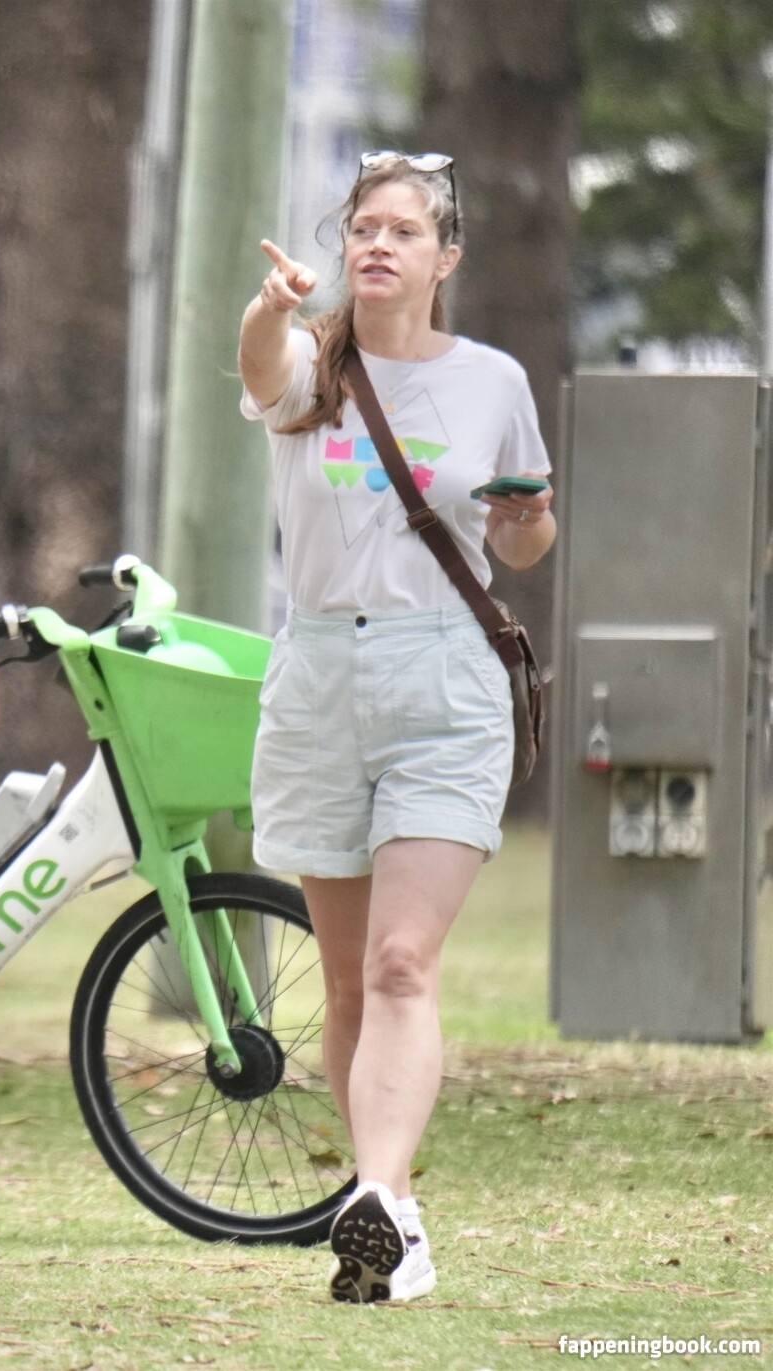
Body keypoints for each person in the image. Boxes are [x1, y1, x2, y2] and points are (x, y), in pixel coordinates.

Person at [236, 152, 555, 1303]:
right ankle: (397, 1216)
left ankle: (371, 1198)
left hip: (444, 676)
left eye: (404, 231)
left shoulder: (491, 381)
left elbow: (524, 541)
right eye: (363, 228)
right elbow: (259, 371)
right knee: (347, 983)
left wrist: (525, 522)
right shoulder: (312, 364)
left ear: (444, 257)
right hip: (322, 669)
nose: (377, 245)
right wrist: (270, 310)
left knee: (402, 960)